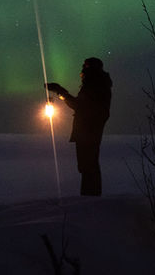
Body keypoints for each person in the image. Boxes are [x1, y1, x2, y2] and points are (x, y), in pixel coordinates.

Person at [46, 57, 113, 196]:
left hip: (88, 132)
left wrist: (61, 92)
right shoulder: (98, 84)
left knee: (88, 166)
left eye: (85, 66)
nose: (82, 70)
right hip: (89, 131)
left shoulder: (95, 85)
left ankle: (90, 199)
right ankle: (90, 197)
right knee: (88, 166)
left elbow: (79, 106)